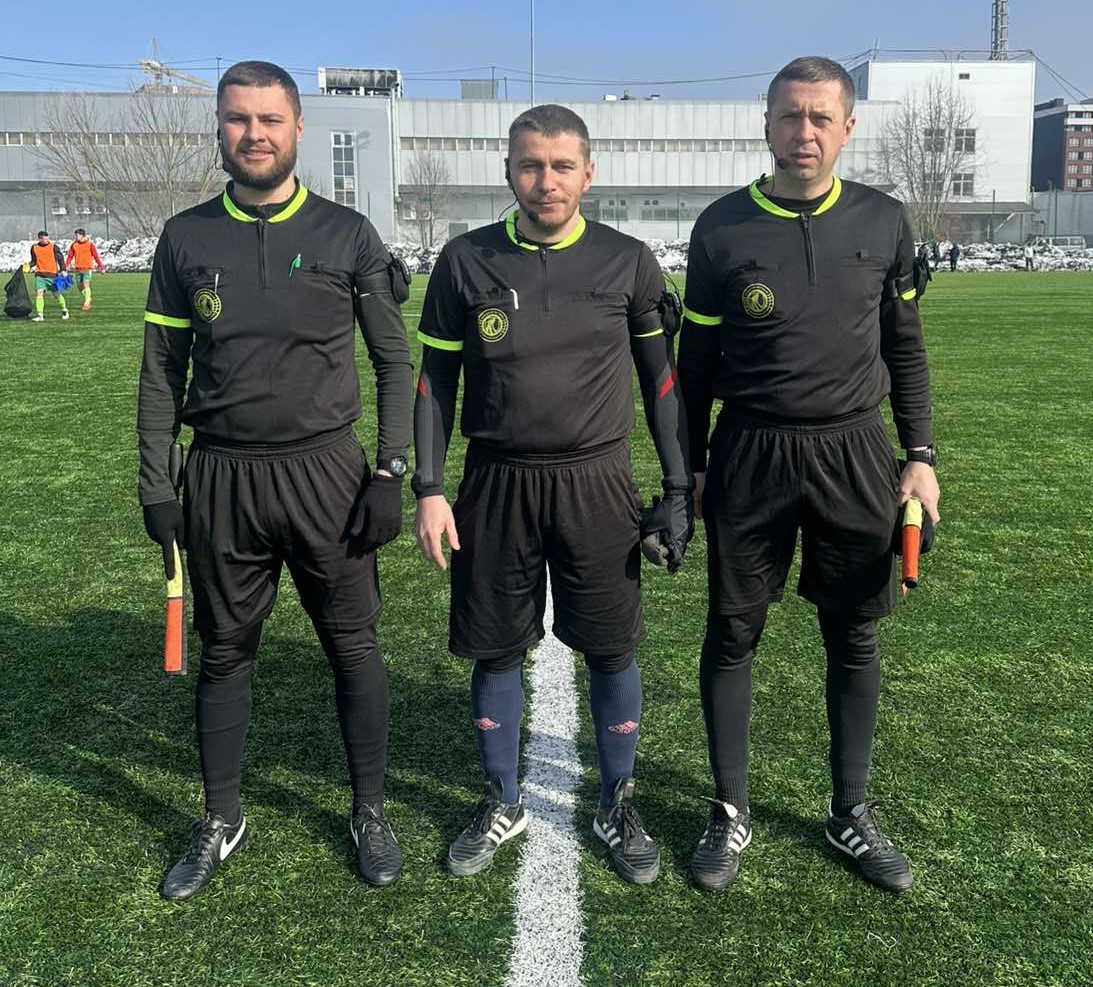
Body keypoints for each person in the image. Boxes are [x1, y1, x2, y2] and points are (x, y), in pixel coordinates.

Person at [137, 60, 413, 900]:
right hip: (221, 475)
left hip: (327, 473)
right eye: (236, 119)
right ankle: (222, 816)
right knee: (225, 649)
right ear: (219, 129)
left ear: (296, 128)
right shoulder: (185, 237)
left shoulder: (347, 233)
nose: (252, 134)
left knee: (352, 644)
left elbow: (394, 362)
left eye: (268, 119)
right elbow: (160, 372)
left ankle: (369, 809)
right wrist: (157, 485)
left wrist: (390, 469)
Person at [678, 56, 939, 896]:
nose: (804, 132)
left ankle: (849, 809)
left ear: (846, 127)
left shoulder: (883, 220)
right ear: (766, 124)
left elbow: (904, 348)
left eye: (820, 117)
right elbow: (695, 363)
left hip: (853, 451)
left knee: (853, 632)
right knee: (732, 633)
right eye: (789, 116)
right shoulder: (721, 228)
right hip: (750, 450)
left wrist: (920, 458)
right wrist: (688, 473)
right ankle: (728, 809)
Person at [412, 104, 692, 885]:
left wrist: (677, 489)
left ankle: (616, 799)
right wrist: (429, 487)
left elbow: (663, 386)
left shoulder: (627, 261)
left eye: (562, 165)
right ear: (508, 171)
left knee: (609, 646)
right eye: (530, 165)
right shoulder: (463, 260)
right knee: (496, 645)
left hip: (596, 481)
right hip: (494, 480)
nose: (546, 181)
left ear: (587, 173)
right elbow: (433, 382)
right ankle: (501, 796)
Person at [28, 230, 69, 322]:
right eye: (45, 239)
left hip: (52, 275)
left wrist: (63, 270)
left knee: (56, 294)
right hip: (40, 275)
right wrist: (28, 266)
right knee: (39, 293)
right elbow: (34, 261)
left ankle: (64, 310)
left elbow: (60, 259)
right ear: (40, 239)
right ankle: (40, 315)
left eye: (48, 238)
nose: (47, 240)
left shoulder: (54, 247)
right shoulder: (34, 248)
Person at [65, 228, 106, 310]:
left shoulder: (90, 244)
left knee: (86, 284)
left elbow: (96, 257)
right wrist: (66, 265)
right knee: (80, 287)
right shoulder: (74, 245)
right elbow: (70, 256)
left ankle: (86, 303)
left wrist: (102, 267)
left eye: (77, 235)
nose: (75, 237)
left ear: (82, 235)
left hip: (87, 269)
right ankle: (88, 298)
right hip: (77, 269)